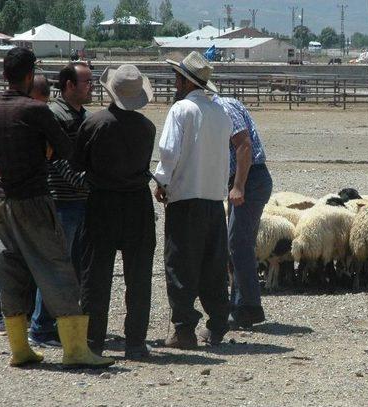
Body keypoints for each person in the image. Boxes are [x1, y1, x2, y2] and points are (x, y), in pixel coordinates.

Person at [0, 47, 113, 368]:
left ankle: (20, 348)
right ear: (30, 76)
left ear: (5, 75)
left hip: (2, 202)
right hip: (34, 199)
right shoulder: (36, 111)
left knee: (10, 271)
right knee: (58, 269)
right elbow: (66, 149)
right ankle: (74, 349)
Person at [71, 65, 156, 359]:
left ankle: (93, 341)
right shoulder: (147, 128)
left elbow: (77, 163)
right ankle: (135, 342)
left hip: (102, 203)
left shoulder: (94, 124)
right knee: (139, 276)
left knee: (96, 275)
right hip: (137, 203)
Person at [154, 51, 233, 349]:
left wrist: (162, 181)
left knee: (180, 264)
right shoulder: (220, 112)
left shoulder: (182, 110)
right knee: (213, 264)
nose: (175, 83)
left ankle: (184, 329)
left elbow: (170, 152)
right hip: (214, 198)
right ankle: (217, 325)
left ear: (185, 81)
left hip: (186, 198)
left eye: (177, 78)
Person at [28, 63, 93, 347]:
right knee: (57, 265)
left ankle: (61, 322)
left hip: (79, 201)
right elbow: (56, 158)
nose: (91, 86)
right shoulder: (55, 115)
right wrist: (85, 182)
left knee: (75, 266)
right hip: (61, 200)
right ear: (69, 85)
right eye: (86, 82)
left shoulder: (80, 115)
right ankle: (41, 326)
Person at [0, 75, 51, 336]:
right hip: (11, 191)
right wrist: (14, 175)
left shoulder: (35, 115)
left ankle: (24, 313)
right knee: (5, 255)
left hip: (30, 193)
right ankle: (1, 314)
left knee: (29, 254)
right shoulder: (3, 115)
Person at [212, 94, 273, 328]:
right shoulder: (224, 105)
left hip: (249, 178)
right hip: (250, 178)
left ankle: (250, 307)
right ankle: (239, 306)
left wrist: (238, 185)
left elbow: (244, 145)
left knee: (238, 243)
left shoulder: (223, 107)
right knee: (238, 243)